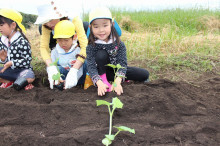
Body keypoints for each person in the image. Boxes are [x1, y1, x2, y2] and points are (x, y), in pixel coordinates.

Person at [86, 7, 150, 96]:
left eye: (105, 25)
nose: (101, 30)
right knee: (101, 54)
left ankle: (121, 79)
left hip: (115, 71)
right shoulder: (91, 46)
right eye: (96, 26)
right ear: (90, 27)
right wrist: (99, 83)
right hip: (101, 72)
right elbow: (91, 66)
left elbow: (122, 63)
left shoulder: (119, 43)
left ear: (111, 24)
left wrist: (118, 81)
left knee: (144, 74)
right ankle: (104, 80)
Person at [35, 1, 88, 89]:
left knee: (86, 25)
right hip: (59, 47)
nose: (48, 24)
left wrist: (74, 70)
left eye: (50, 20)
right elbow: (43, 47)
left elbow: (85, 46)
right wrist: (51, 67)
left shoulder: (74, 20)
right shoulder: (47, 26)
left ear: (58, 15)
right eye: (46, 21)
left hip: (75, 44)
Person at [0, 9, 35, 90]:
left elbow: (27, 61)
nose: (0, 28)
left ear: (13, 25)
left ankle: (20, 82)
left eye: (1, 25)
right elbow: (5, 63)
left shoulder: (22, 42)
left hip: (22, 71)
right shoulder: (2, 41)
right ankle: (12, 82)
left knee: (29, 76)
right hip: (9, 71)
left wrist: (12, 63)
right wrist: (3, 59)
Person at [51, 20, 83, 89]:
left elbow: (80, 70)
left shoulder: (77, 51)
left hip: (79, 77)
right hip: (64, 76)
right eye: (59, 40)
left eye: (66, 40)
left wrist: (73, 80)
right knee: (56, 68)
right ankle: (61, 84)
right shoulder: (55, 52)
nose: (63, 43)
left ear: (74, 37)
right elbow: (52, 66)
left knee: (85, 62)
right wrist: (56, 78)